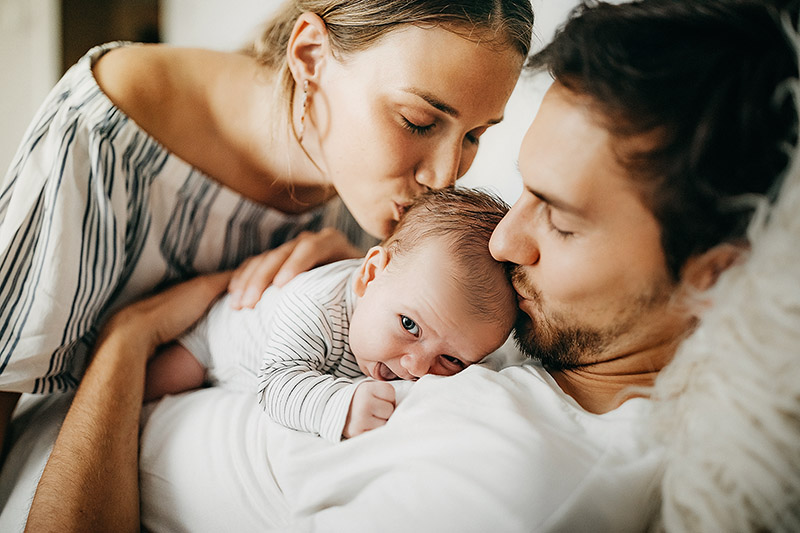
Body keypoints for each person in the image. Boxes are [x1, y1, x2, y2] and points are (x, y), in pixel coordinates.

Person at [6, 0, 798, 530]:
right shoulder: (383, 210)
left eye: (556, 216)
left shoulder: (515, 475)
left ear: (714, 272)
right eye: (421, 120)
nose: (493, 232)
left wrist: (132, 337)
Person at [0, 0, 533, 456]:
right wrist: (137, 334)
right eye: (418, 121)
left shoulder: (372, 197)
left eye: (474, 136)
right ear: (310, 56)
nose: (443, 177)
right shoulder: (100, 133)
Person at [144, 188, 516, 441]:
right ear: (370, 275)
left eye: (450, 359)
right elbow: (275, 385)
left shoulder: (409, 309)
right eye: (409, 325)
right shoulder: (316, 307)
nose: (416, 367)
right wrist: (339, 404)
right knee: (146, 398)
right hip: (214, 339)